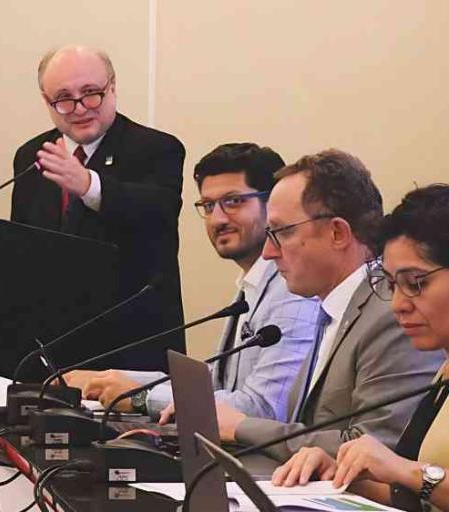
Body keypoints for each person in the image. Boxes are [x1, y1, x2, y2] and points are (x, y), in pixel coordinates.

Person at [216, 149, 444, 462]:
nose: (268, 252)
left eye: (281, 232)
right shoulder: (330, 310)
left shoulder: (388, 314)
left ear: (337, 232)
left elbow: (376, 448)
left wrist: (242, 427)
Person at [65, 143, 320, 421]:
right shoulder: (255, 284)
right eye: (208, 205)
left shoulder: (293, 291)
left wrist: (141, 397)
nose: (218, 218)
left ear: (272, 205)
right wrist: (111, 379)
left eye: (233, 201)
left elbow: (265, 407)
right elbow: (220, 383)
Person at [271, 184, 449, 512]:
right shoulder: (443, 370)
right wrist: (341, 475)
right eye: (393, 285)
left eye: (415, 284)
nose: (398, 304)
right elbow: (417, 502)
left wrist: (408, 471)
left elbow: (414, 479)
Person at [11, 46, 185, 372]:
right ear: (46, 101)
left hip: (131, 349)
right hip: (54, 349)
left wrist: (89, 185)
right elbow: (22, 248)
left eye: (91, 93)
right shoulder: (32, 156)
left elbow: (157, 211)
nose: (79, 108)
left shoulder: (157, 149)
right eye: (63, 98)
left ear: (113, 88)